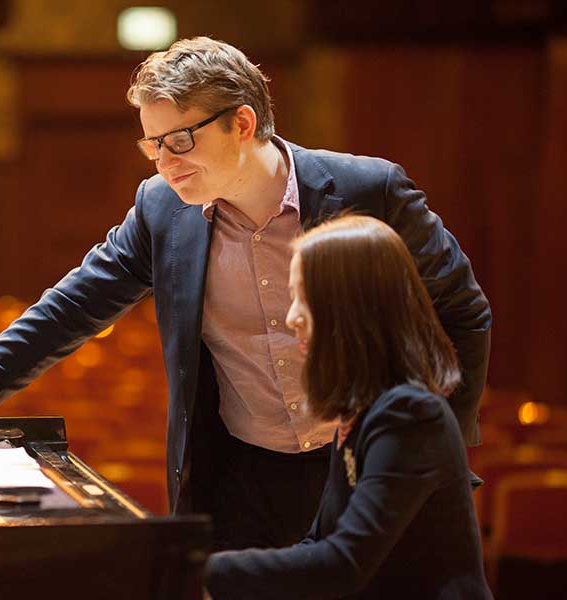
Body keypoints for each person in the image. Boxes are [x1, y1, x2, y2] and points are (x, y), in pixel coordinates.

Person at [0, 37, 491, 551]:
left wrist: (438, 446)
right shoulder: (162, 209)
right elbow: (73, 304)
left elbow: (464, 312)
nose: (164, 163)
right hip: (240, 475)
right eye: (151, 145)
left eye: (180, 141)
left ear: (243, 122)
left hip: (364, 465)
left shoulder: (369, 189)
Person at [204, 215, 493, 599]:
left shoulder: (409, 415)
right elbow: (319, 544)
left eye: (303, 298)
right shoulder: (363, 410)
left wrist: (195, 570)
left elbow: (343, 564)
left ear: (350, 305)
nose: (292, 318)